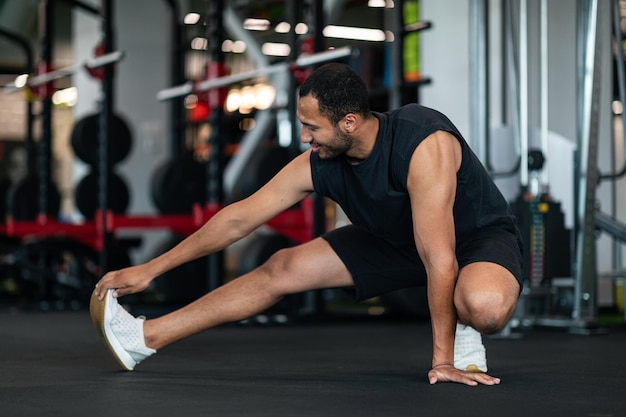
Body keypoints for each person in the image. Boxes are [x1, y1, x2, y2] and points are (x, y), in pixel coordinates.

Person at [91, 62, 523, 386]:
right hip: (396, 240)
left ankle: (465, 328)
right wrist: (150, 269)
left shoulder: (422, 142)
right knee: (282, 267)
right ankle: (142, 338)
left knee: (482, 306)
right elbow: (238, 218)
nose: (304, 137)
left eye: (311, 126)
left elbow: (439, 256)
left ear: (349, 122)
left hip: (471, 240)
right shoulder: (323, 160)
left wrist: (442, 361)